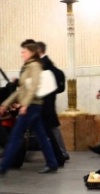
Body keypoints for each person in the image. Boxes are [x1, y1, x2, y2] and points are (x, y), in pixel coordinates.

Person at [0, 40, 58, 175]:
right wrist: (5, 104)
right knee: (42, 136)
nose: (22, 54)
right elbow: (20, 90)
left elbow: (34, 86)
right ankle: (52, 163)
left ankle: (3, 167)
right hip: (32, 105)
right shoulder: (28, 66)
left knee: (15, 136)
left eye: (24, 51)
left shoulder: (35, 66)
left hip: (31, 106)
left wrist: (25, 104)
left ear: (31, 53)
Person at [37, 41, 69, 162]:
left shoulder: (44, 64)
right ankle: (60, 152)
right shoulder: (48, 64)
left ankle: (60, 153)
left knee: (52, 128)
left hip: (45, 101)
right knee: (53, 128)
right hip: (48, 101)